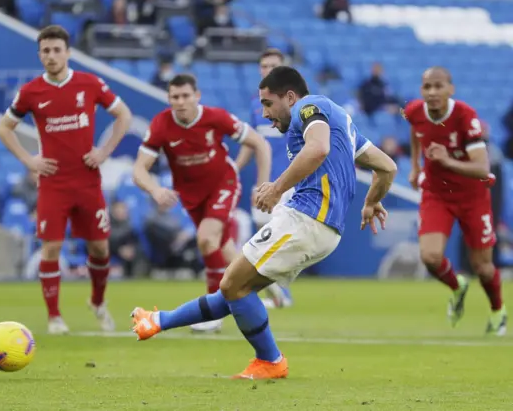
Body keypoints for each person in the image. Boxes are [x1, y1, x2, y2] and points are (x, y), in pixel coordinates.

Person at [131, 66, 397, 379]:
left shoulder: (308, 107)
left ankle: (270, 361)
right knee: (236, 287)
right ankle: (158, 321)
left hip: (306, 218)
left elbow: (318, 148)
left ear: (290, 96)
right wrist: (370, 201)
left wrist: (276, 188)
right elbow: (387, 167)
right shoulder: (345, 124)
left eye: (268, 104)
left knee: (233, 284)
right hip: (319, 226)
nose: (265, 113)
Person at [0, 25, 132, 334]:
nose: (52, 55)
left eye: (57, 49)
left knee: (99, 248)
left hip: (87, 182)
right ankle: (54, 318)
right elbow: (4, 127)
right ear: (40, 55)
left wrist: (104, 151)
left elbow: (123, 115)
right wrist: (29, 160)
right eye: (46, 50)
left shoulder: (89, 83)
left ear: (68, 53)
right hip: (53, 185)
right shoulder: (31, 92)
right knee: (51, 250)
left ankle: (98, 302)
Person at [132, 73, 272, 334]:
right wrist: (154, 189)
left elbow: (259, 143)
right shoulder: (161, 125)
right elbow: (139, 169)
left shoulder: (215, 117)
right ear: (169, 98)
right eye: (175, 97)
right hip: (191, 196)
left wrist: (262, 186)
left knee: (207, 239)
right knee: (224, 249)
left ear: (197, 96)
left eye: (186, 96)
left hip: (223, 183)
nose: (181, 102)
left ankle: (212, 312)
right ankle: (265, 286)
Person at [403, 67, 506, 336]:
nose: (433, 92)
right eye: (427, 87)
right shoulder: (415, 111)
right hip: (437, 194)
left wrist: (445, 160)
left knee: (483, 268)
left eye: (439, 86)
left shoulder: (465, 116)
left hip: (473, 198)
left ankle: (497, 310)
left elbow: (482, 168)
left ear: (451, 89)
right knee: (430, 257)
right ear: (421, 91)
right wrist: (415, 166)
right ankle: (457, 285)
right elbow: (416, 131)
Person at [235, 48, 293, 309]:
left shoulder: (295, 103)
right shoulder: (254, 104)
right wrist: (234, 167)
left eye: (273, 65)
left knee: (280, 237)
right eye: (264, 65)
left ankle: (282, 292)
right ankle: (275, 293)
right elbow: (252, 142)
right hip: (263, 182)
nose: (267, 69)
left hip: (289, 182)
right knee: (261, 235)